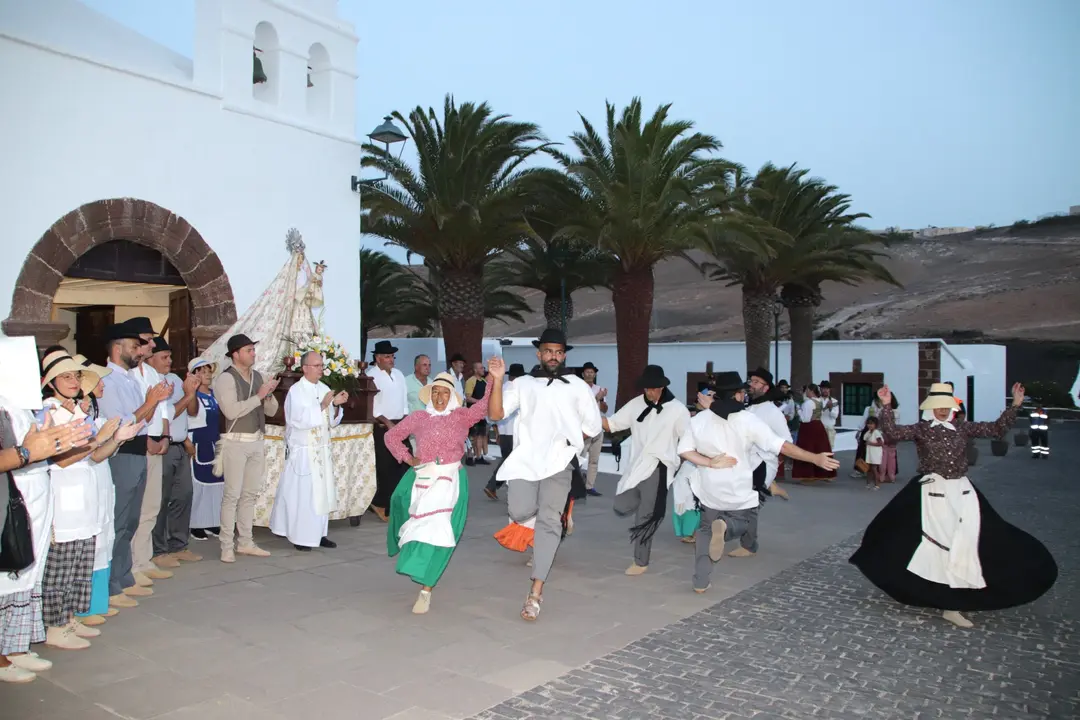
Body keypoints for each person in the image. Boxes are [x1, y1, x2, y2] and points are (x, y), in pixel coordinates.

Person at [849, 382, 1057, 629]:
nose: (942, 411)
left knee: (972, 542)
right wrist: (885, 406)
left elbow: (996, 428)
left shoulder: (962, 427)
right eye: (938, 406)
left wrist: (1015, 405)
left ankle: (958, 597)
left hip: (962, 491)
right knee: (934, 544)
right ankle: (948, 603)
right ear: (931, 408)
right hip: (932, 492)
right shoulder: (922, 429)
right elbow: (892, 433)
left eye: (946, 406)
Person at [678, 373, 840, 594]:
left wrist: (709, 462)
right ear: (736, 394)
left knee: (705, 530)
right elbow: (781, 445)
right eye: (742, 391)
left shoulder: (699, 420)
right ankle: (725, 530)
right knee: (744, 522)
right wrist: (815, 458)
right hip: (738, 487)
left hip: (708, 486)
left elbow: (684, 451)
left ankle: (700, 581)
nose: (745, 394)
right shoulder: (747, 420)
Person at [488, 329, 602, 621]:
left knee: (549, 522)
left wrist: (571, 443)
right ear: (538, 354)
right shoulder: (523, 384)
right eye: (548, 351)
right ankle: (547, 521)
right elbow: (497, 414)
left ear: (564, 355)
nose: (553, 356)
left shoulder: (577, 386)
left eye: (559, 352)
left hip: (559, 463)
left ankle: (535, 593)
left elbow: (593, 424)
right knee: (519, 510)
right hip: (525, 461)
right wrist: (498, 381)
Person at [37, 350, 140, 651]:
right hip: (63, 499)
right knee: (61, 566)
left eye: (75, 375)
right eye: (65, 376)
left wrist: (117, 438)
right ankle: (53, 625)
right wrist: (100, 437)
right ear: (51, 382)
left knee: (79, 564)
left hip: (86, 497)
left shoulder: (76, 412)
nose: (73, 381)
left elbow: (95, 456)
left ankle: (68, 618)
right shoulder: (49, 412)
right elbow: (61, 460)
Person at [384, 365, 500, 614]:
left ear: (452, 396)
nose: (439, 398)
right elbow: (391, 437)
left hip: (451, 480)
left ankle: (426, 589)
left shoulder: (461, 417)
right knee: (404, 511)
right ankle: (413, 558)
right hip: (423, 478)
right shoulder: (419, 417)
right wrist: (408, 458)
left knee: (443, 533)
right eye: (435, 392)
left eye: (444, 393)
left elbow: (484, 405)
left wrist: (493, 378)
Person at [0, 396, 89, 683]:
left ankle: (14, 646)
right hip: (16, 493)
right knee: (9, 573)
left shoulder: (22, 404)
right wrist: (27, 452)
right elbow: (19, 453)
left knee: (27, 573)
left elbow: (42, 450)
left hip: (35, 491)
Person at [97, 320, 172, 608]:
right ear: (118, 349)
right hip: (122, 452)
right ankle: (112, 585)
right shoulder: (108, 380)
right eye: (133, 346)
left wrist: (154, 402)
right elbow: (122, 423)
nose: (139, 351)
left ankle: (124, 577)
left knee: (130, 521)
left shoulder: (128, 379)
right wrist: (150, 401)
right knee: (119, 520)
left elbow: (144, 419)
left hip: (139, 451)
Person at [604, 365, 690, 575]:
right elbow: (612, 424)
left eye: (653, 388)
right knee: (621, 505)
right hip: (636, 466)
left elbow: (688, 439)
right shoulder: (635, 404)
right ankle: (650, 509)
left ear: (662, 387)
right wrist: (585, 414)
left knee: (645, 516)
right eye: (646, 389)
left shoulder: (678, 410)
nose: (649, 392)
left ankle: (640, 561)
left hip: (659, 467)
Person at [270, 351, 348, 551]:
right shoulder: (296, 391)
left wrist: (336, 406)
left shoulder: (324, 388)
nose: (321, 369)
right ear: (305, 368)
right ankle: (301, 537)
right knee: (304, 496)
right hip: (305, 452)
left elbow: (330, 421)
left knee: (322, 494)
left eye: (322, 365)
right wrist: (322, 405)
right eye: (317, 365)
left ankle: (320, 534)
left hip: (321, 450)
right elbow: (297, 420)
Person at [213, 334, 280, 563]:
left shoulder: (258, 376)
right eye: (249, 350)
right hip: (235, 441)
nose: (253, 353)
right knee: (231, 495)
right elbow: (231, 411)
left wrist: (268, 394)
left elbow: (271, 411)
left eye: (253, 349)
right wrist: (258, 396)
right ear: (235, 354)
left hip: (256, 440)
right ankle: (226, 545)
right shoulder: (225, 379)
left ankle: (245, 542)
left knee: (250, 494)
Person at [124, 317, 175, 584]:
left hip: (157, 440)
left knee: (152, 504)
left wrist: (165, 436)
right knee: (136, 507)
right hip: (139, 442)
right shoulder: (128, 375)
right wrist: (149, 441)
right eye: (148, 338)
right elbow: (134, 415)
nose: (152, 343)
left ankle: (144, 559)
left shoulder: (153, 373)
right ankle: (131, 564)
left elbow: (164, 409)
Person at [146, 338, 203, 566]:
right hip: (163, 446)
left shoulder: (174, 379)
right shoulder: (151, 382)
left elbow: (192, 411)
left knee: (184, 495)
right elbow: (167, 415)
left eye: (170, 356)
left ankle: (178, 544)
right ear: (150, 359)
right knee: (160, 499)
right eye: (164, 357)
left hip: (180, 445)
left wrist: (192, 391)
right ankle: (159, 550)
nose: (170, 361)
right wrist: (188, 395)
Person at [366, 340, 408, 522]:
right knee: (385, 467)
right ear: (378, 358)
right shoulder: (371, 375)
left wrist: (406, 422)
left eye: (392, 356)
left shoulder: (399, 375)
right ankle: (379, 503)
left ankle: (397, 504)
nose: (391, 360)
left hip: (400, 424)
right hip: (383, 426)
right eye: (387, 356)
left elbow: (404, 401)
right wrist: (387, 422)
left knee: (404, 464)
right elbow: (372, 405)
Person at [186, 357, 222, 540]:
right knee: (199, 484)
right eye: (202, 372)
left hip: (214, 442)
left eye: (209, 371)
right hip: (199, 442)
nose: (207, 375)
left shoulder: (215, 395)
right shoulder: (192, 396)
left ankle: (213, 521)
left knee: (216, 484)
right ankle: (196, 523)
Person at [746, 368, 792, 507]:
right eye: (751, 381)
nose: (751, 385)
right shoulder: (749, 409)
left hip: (761, 467)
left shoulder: (772, 412)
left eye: (756, 382)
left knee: (747, 510)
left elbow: (787, 442)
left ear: (766, 388)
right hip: (746, 466)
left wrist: (773, 464)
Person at [484, 363, 525, 501]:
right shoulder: (517, 389)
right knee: (510, 462)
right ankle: (494, 486)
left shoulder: (501, 388)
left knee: (508, 460)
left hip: (504, 431)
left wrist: (496, 430)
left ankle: (494, 486)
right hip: (514, 432)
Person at [790, 384, 836, 483]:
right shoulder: (819, 401)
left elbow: (805, 419)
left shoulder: (808, 403)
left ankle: (807, 474)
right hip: (818, 426)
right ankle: (823, 473)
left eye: (807, 390)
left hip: (809, 428)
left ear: (810, 391)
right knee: (820, 448)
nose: (806, 392)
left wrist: (798, 409)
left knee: (807, 449)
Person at [580, 362, 608, 496]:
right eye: (587, 372)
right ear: (583, 374)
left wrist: (601, 400)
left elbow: (604, 409)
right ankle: (576, 484)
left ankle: (589, 486)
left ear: (595, 374)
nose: (590, 374)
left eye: (592, 372)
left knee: (594, 459)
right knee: (579, 457)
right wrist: (596, 398)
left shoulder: (599, 389)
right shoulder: (579, 388)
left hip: (597, 428)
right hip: (584, 428)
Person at [464, 361, 490, 466]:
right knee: (474, 436)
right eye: (481, 368)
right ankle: (471, 457)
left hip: (482, 414)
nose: (483, 370)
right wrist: (480, 403)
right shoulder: (471, 381)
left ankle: (480, 457)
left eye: (483, 368)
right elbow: (468, 397)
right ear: (475, 370)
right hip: (473, 413)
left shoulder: (484, 381)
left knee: (482, 436)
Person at [863, 416, 884, 490]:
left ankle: (877, 485)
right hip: (869, 453)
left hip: (875, 453)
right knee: (869, 469)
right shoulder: (868, 432)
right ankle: (868, 483)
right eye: (868, 424)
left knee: (874, 469)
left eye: (871, 424)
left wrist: (871, 443)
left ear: (875, 424)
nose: (870, 425)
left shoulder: (876, 432)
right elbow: (865, 439)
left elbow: (880, 443)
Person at [819, 380, 839, 449]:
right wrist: (825, 408)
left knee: (829, 449)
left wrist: (830, 409)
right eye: (823, 388)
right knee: (819, 448)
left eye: (827, 389)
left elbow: (835, 416)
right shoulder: (817, 400)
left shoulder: (834, 401)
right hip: (819, 428)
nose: (825, 390)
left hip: (830, 429)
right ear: (820, 389)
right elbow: (816, 414)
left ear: (829, 389)